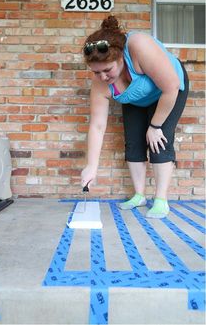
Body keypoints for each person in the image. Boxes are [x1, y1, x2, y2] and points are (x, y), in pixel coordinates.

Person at [81, 15, 189, 219]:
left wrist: (155, 126)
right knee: (133, 143)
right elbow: (97, 125)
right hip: (137, 97)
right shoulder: (100, 83)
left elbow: (171, 87)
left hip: (168, 90)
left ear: (120, 57)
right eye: (96, 73)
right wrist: (91, 166)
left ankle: (160, 200)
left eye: (107, 70)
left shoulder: (139, 45)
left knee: (159, 140)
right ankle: (139, 195)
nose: (103, 77)